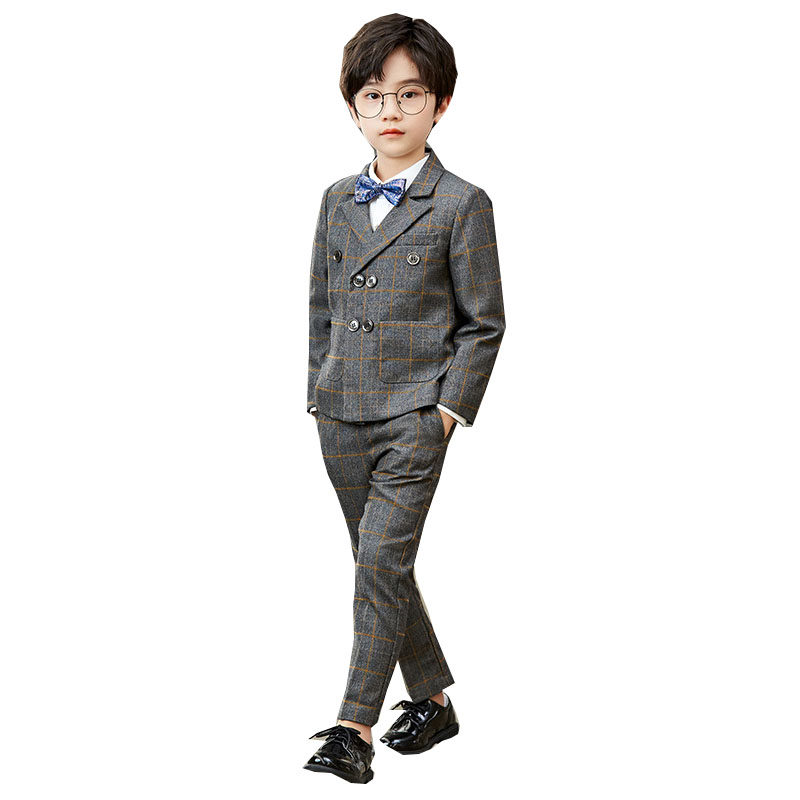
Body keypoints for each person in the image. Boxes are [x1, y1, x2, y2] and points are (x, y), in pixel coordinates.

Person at [303, 13, 506, 783]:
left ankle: (351, 728)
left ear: (441, 103)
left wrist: (446, 412)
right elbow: (320, 305)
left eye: (410, 94)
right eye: (373, 96)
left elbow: (484, 322)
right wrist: (317, 390)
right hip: (340, 413)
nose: (391, 111)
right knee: (379, 566)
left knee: (378, 563)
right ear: (353, 106)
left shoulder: (462, 203)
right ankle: (435, 701)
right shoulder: (336, 199)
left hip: (414, 417)